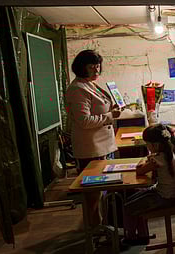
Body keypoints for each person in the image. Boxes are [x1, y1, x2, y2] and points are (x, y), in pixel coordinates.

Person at [65, 49, 123, 226]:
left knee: (102, 191)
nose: (97, 71)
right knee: (93, 193)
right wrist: (111, 115)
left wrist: (112, 107)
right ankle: (94, 229)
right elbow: (84, 121)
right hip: (91, 147)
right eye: (92, 67)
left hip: (103, 144)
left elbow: (99, 108)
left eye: (98, 67)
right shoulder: (77, 89)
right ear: (82, 68)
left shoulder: (90, 84)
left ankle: (102, 225)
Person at [123, 124, 175, 244]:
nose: (147, 147)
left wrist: (145, 158)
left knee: (128, 207)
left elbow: (139, 169)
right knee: (131, 200)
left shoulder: (159, 158)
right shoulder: (170, 152)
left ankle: (131, 237)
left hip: (166, 197)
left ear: (155, 145)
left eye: (147, 144)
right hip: (167, 193)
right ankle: (142, 235)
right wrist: (149, 158)